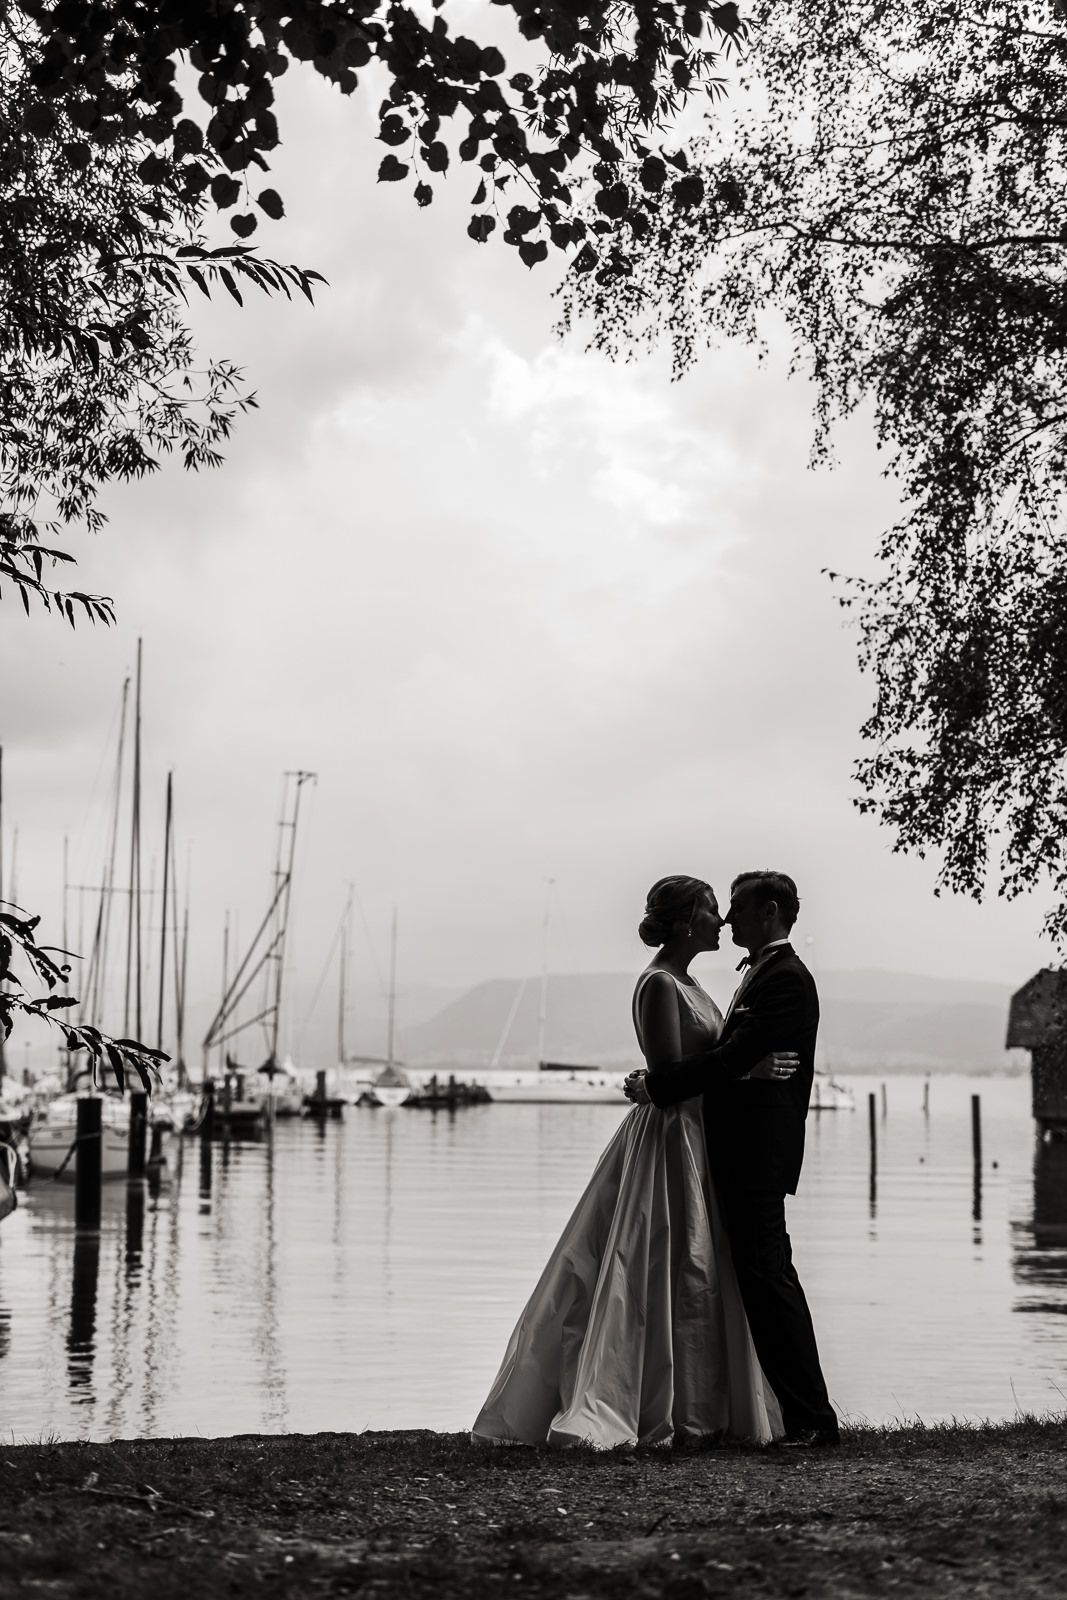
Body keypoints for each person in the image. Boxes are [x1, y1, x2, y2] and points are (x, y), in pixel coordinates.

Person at [471, 875, 794, 1449]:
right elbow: (669, 1079)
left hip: (702, 1136)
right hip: (672, 1139)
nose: (721, 921)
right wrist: (747, 1071)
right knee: (662, 1265)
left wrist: (741, 1071)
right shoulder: (659, 985)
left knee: (700, 1270)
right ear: (686, 920)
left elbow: (703, 1065)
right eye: (713, 910)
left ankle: (705, 1401)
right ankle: (647, 1400)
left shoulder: (692, 982)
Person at [626, 870, 839, 1448]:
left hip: (757, 1154)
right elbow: (730, 1058)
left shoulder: (786, 980)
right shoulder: (747, 976)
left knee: (768, 1280)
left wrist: (662, 1084)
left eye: (737, 908)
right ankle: (778, 1412)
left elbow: (731, 1056)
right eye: (720, 910)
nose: (727, 920)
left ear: (768, 912)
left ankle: (812, 1420)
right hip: (719, 1146)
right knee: (748, 1278)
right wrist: (735, 1070)